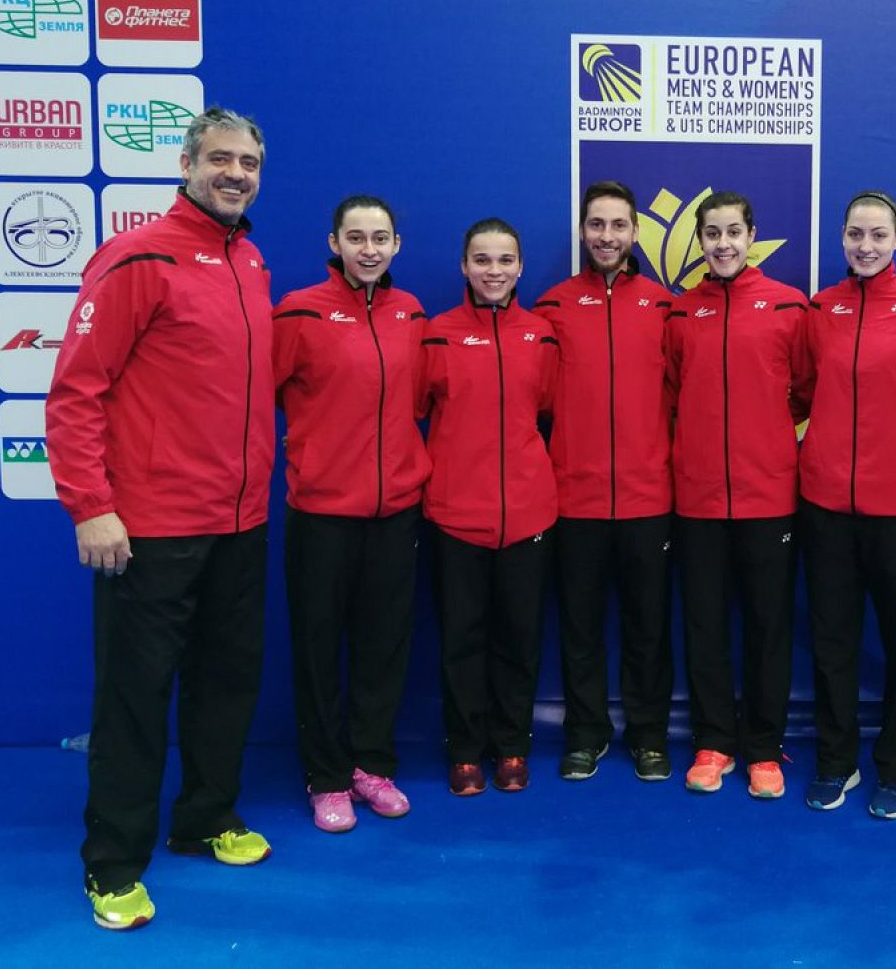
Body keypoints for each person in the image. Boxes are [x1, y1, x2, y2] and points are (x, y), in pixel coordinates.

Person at [47, 106, 274, 931]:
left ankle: (206, 816)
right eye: (220, 158)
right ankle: (111, 865)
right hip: (150, 531)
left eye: (249, 161)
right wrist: (92, 506)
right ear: (186, 163)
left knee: (225, 684)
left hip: (240, 523)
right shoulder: (138, 255)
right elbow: (76, 391)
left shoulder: (248, 258)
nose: (236, 173)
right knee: (135, 701)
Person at [272, 194, 430, 832]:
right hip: (321, 512)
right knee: (317, 649)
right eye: (356, 237)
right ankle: (327, 775)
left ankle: (371, 764)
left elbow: (417, 400)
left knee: (383, 647)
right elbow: (265, 398)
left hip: (396, 510)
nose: (369, 249)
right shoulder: (299, 311)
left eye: (381, 238)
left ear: (397, 245)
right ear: (334, 243)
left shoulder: (411, 312)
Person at [798, 191, 896, 818]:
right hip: (826, 503)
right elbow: (804, 391)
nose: (865, 246)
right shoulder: (820, 309)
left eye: (878, 235)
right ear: (842, 239)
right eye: (855, 235)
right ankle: (837, 762)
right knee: (832, 641)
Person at [666, 190, 809, 799]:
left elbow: (804, 390)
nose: (722, 244)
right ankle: (713, 740)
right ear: (699, 241)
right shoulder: (678, 314)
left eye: (733, 231)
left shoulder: (788, 306)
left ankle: (762, 747)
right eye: (712, 233)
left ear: (752, 235)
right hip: (697, 499)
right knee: (704, 625)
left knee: (768, 627)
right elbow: (673, 393)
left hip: (768, 496)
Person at [534, 181, 675, 783]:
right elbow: (534, 403)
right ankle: (586, 735)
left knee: (649, 628)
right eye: (597, 225)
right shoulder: (553, 307)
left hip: (649, 498)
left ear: (635, 231)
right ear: (584, 231)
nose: (607, 236)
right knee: (581, 628)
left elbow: (682, 392)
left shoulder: (665, 306)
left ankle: (648, 737)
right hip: (576, 499)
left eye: (619, 225)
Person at [422, 218, 558, 796]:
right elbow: (413, 408)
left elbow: (547, 408)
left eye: (505, 260)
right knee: (461, 641)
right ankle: (465, 751)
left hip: (528, 514)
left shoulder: (543, 335)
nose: (494, 271)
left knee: (519, 641)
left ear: (520, 267)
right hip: (456, 515)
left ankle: (512, 748)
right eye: (482, 260)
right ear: (464, 266)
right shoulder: (436, 334)